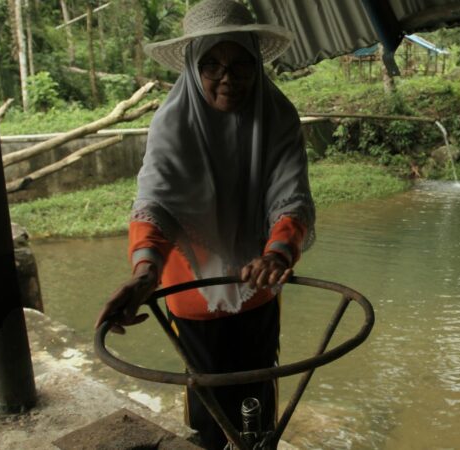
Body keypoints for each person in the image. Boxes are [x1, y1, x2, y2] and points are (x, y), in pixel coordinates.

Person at [94, 0, 315, 448]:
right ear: (194, 68)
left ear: (257, 64)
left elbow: (290, 197)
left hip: (260, 284)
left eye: (239, 64)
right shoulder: (173, 123)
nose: (226, 78)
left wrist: (277, 253)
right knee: (208, 407)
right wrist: (144, 275)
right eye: (211, 65)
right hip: (189, 292)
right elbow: (156, 203)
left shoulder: (277, 117)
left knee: (258, 400)